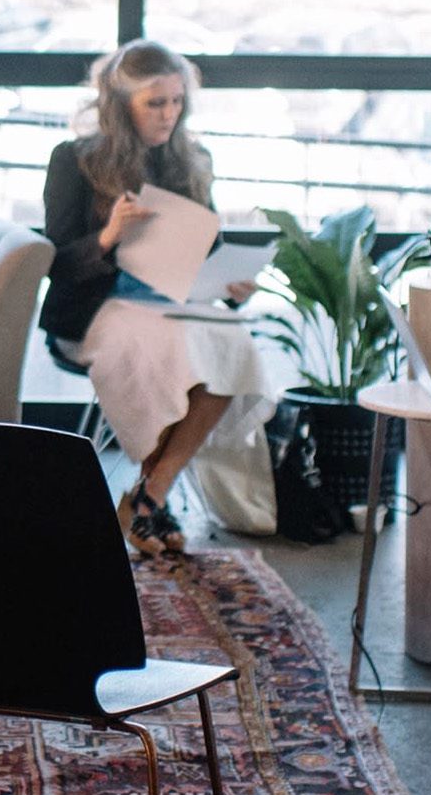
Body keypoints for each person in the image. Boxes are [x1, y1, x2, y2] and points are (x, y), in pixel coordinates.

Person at [39, 40, 277, 557]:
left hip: (173, 301)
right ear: (122, 104)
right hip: (95, 308)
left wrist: (231, 285)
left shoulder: (192, 161)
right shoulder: (74, 160)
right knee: (169, 348)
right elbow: (54, 260)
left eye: (176, 102)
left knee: (234, 347)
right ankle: (153, 503)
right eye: (155, 103)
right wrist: (107, 237)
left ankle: (151, 491)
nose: (169, 114)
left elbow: (205, 248)